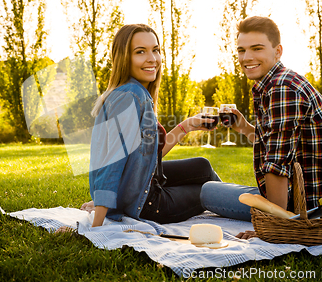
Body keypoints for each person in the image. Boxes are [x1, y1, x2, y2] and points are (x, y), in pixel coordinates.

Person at [200, 16, 322, 239]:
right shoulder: (279, 81)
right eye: (241, 50)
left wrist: (274, 227)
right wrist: (244, 128)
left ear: (278, 51)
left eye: (257, 48)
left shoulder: (281, 90)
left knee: (207, 192)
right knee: (215, 187)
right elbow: (281, 142)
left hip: (311, 206)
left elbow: (277, 164)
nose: (247, 57)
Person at [79, 23, 221, 228]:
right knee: (210, 191)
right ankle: (257, 208)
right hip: (150, 204)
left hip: (142, 183)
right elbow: (111, 164)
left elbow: (147, 156)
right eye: (140, 52)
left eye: (155, 50)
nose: (152, 59)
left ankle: (245, 199)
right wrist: (97, 223)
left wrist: (187, 125)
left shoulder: (128, 92)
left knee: (203, 166)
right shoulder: (133, 97)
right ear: (124, 58)